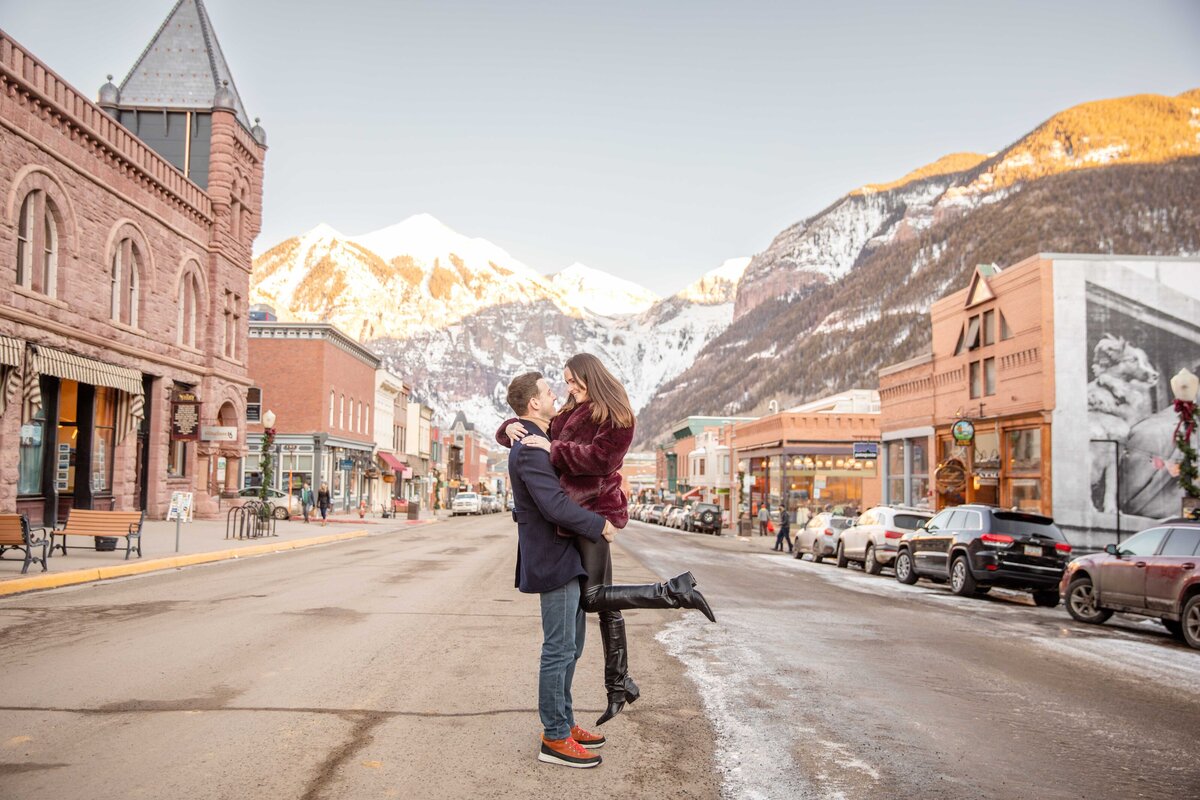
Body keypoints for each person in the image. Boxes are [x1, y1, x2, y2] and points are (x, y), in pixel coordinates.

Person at [499, 354, 715, 728]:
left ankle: (673, 593)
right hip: (575, 521)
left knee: (596, 598)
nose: (567, 388)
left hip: (595, 514)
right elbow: (538, 426)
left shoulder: (618, 417)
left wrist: (555, 451)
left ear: (588, 377)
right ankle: (618, 686)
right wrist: (508, 428)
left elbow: (599, 459)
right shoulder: (572, 409)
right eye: (563, 383)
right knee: (601, 600)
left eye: (571, 381)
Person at [505, 371, 615, 768]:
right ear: (534, 403)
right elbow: (553, 505)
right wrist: (599, 525)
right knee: (558, 649)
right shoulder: (530, 450)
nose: (556, 396)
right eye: (549, 392)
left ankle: (564, 721)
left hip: (567, 556)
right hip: (552, 557)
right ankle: (554, 736)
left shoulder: (538, 439)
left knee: (572, 645)